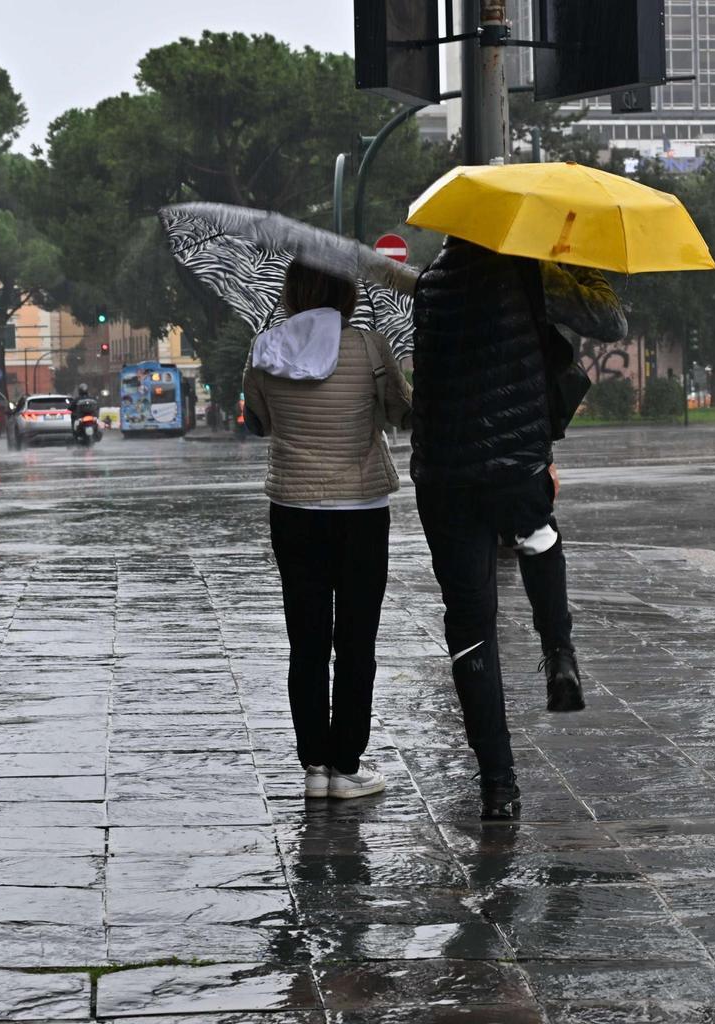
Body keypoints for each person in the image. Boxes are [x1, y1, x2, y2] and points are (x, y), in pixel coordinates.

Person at [410, 237, 626, 820]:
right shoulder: (530, 272)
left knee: (470, 627)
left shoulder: (430, 284)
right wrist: (572, 258)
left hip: (444, 478)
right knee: (539, 537)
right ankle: (558, 650)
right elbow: (609, 320)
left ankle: (498, 785)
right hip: (517, 467)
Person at [243, 264, 412, 800]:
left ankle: (314, 766)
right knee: (357, 640)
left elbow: (259, 422)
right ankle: (346, 765)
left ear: (292, 294)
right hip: (361, 510)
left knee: (307, 639)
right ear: (347, 294)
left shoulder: (265, 349)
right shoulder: (368, 347)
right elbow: (399, 413)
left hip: (293, 509)